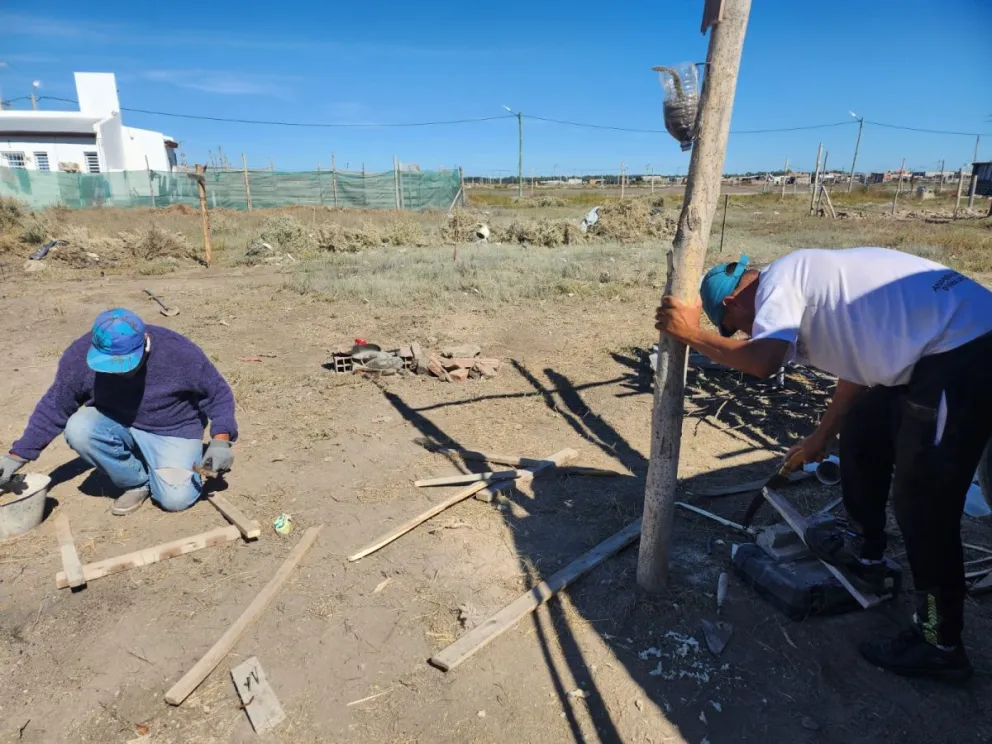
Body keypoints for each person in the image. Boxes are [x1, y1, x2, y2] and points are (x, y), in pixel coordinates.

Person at [654, 247, 992, 683]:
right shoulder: (811, 286)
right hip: (940, 345)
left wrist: (692, 334)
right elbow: (859, 367)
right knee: (864, 428)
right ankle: (864, 550)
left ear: (735, 302)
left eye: (735, 328)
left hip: (967, 346)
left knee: (923, 501)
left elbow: (762, 360)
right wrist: (821, 435)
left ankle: (939, 641)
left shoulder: (781, 280)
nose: (743, 336)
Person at [0, 309, 238, 516]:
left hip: (172, 428)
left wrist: (221, 441)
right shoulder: (78, 356)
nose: (117, 372)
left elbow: (218, 394)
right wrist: (16, 457)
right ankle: (136, 482)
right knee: (78, 429)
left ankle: (167, 465)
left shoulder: (179, 353)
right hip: (115, 421)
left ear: (145, 340)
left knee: (175, 500)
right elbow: (54, 406)